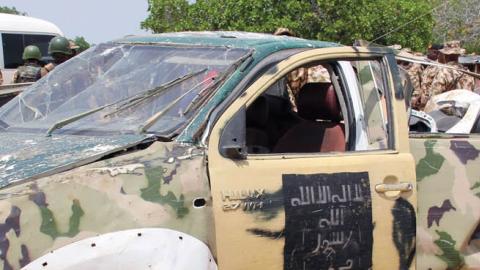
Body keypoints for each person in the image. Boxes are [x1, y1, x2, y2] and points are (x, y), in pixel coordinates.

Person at [419, 41, 475, 109]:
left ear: (445, 55)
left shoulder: (444, 72)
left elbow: (434, 97)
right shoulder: (467, 72)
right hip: (463, 114)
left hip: (445, 115)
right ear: (458, 55)